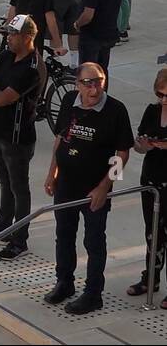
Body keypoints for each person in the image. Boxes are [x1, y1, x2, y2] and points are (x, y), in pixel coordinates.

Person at [44, 62, 133, 314]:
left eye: (99, 81)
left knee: (94, 240)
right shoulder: (69, 101)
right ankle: (64, 282)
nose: (94, 90)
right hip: (66, 185)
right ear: (77, 84)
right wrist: (53, 173)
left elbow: (123, 154)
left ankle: (93, 293)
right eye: (88, 83)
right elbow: (61, 138)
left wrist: (105, 186)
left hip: (94, 188)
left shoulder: (115, 110)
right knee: (64, 234)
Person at [0, 14, 42, 258]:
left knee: (19, 188)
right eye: (8, 34)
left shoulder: (32, 68)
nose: (8, 39)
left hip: (17, 137)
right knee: (4, 181)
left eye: (13, 35)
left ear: (27, 37)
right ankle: (3, 225)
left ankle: (19, 239)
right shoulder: (5, 56)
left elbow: (2, 98)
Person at [129, 67, 167, 302]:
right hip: (152, 178)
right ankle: (150, 278)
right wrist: (145, 144)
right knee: (153, 232)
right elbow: (138, 144)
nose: (163, 100)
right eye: (160, 94)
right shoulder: (152, 111)